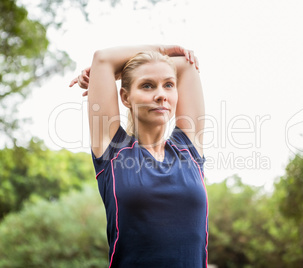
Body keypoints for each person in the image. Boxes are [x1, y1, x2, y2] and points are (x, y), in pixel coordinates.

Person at [69, 45, 208, 267]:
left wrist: (109, 77)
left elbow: (186, 65)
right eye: (147, 85)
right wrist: (162, 49)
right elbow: (103, 59)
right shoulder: (113, 151)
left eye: (169, 85)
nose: (161, 94)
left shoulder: (189, 149)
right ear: (125, 97)